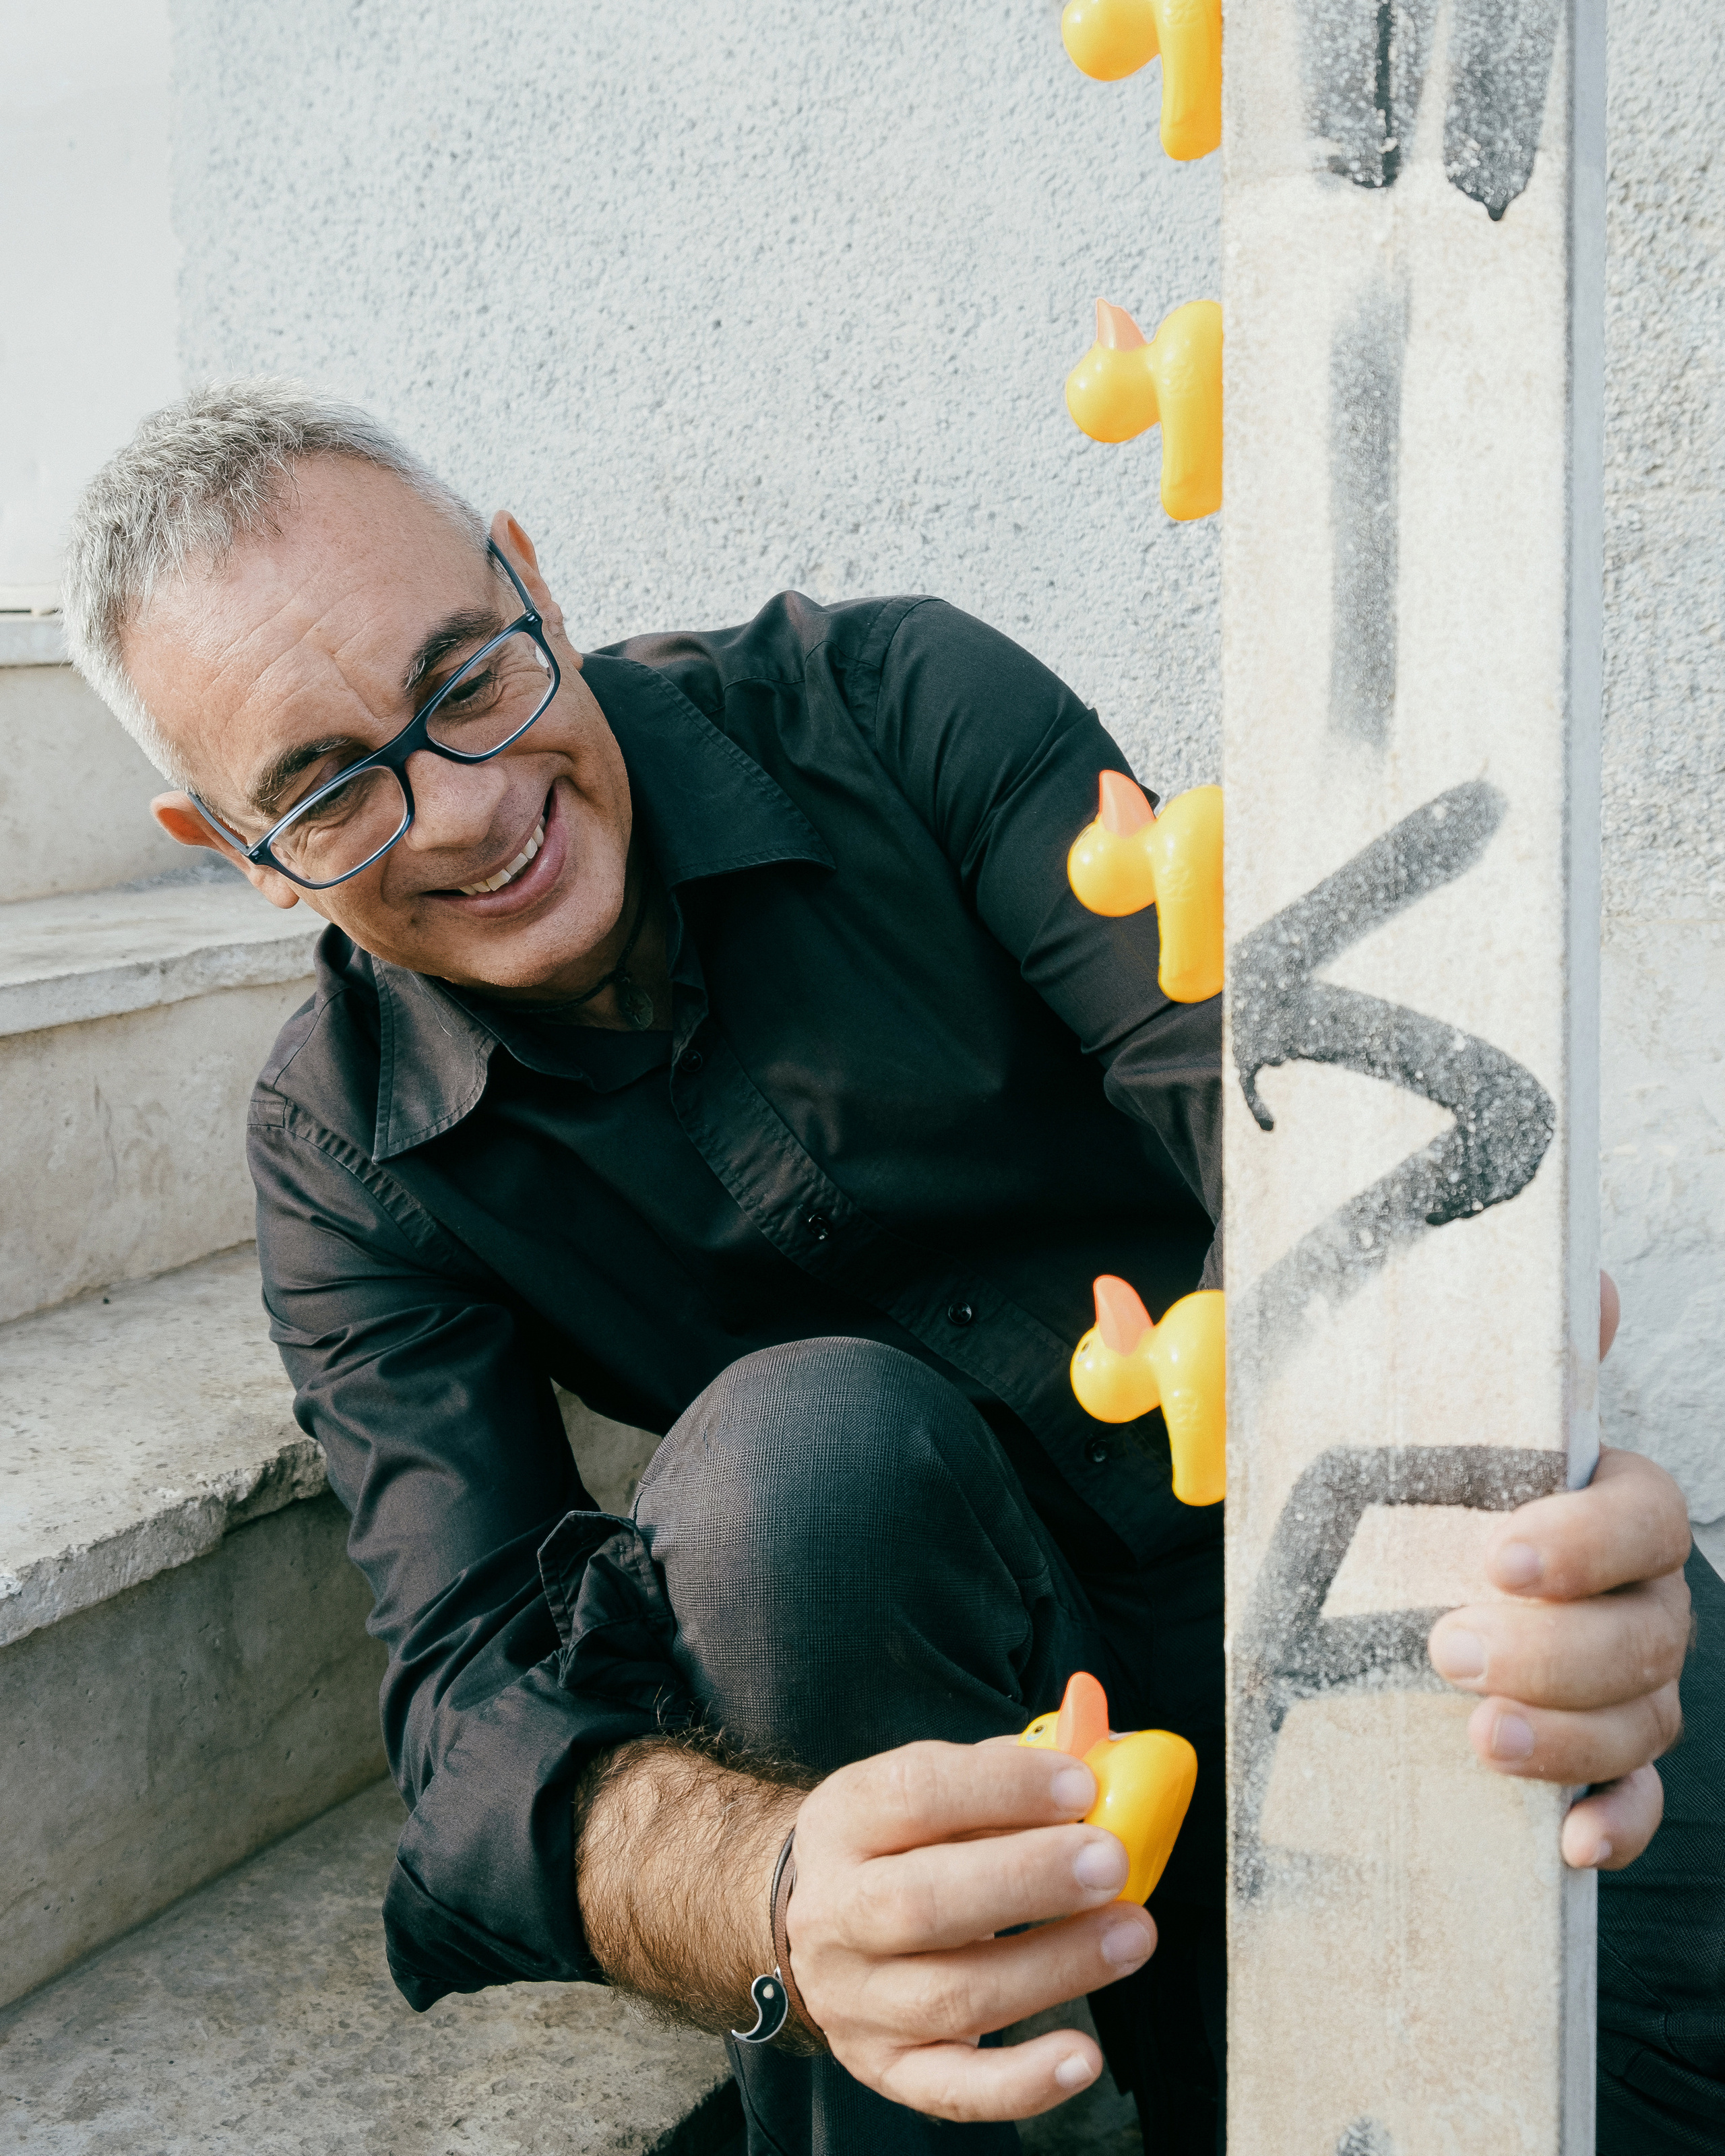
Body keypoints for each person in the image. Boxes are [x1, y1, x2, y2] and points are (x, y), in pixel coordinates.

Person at [63, 383, 1710, 2154]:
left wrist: (1516, 1488)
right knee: (795, 1458)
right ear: (230, 852)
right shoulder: (342, 1147)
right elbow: (473, 1710)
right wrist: (780, 1890)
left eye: (466, 681)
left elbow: (1293, 1124)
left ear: (530, 579)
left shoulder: (899, 701)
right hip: (945, 1764)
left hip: (1378, 1598)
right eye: (329, 791)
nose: (463, 811)